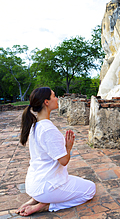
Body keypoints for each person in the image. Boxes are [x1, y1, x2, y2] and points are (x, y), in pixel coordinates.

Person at [16, 87, 96, 216]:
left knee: (74, 180)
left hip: (33, 184)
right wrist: (68, 147)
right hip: (45, 188)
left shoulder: (35, 125)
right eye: (54, 96)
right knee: (90, 189)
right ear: (46, 102)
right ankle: (45, 206)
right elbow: (64, 161)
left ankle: (35, 200)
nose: (57, 98)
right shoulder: (48, 129)